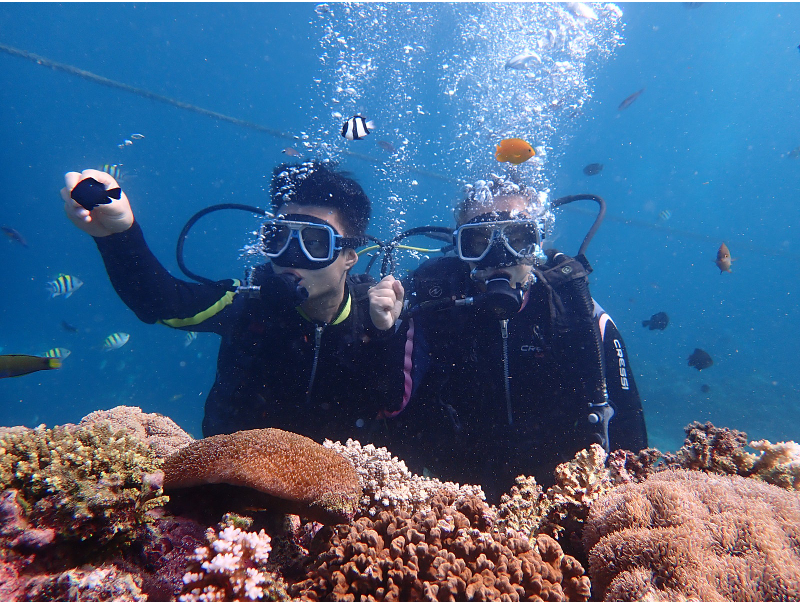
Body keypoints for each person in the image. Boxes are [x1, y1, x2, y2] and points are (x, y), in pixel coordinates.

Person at [61, 161, 405, 440]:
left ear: (349, 256)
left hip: (343, 490)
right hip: (233, 483)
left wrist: (386, 335)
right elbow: (162, 303)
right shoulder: (248, 303)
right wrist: (119, 235)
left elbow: (393, 404)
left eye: (314, 242)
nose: (290, 257)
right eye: (278, 237)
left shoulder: (372, 315)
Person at [367, 177, 648, 501]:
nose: (500, 257)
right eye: (479, 241)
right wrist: (386, 333)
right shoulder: (434, 305)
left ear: (539, 242)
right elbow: (389, 404)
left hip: (563, 497)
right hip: (447, 499)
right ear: (459, 248)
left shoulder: (572, 308)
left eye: (518, 239)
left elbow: (630, 436)